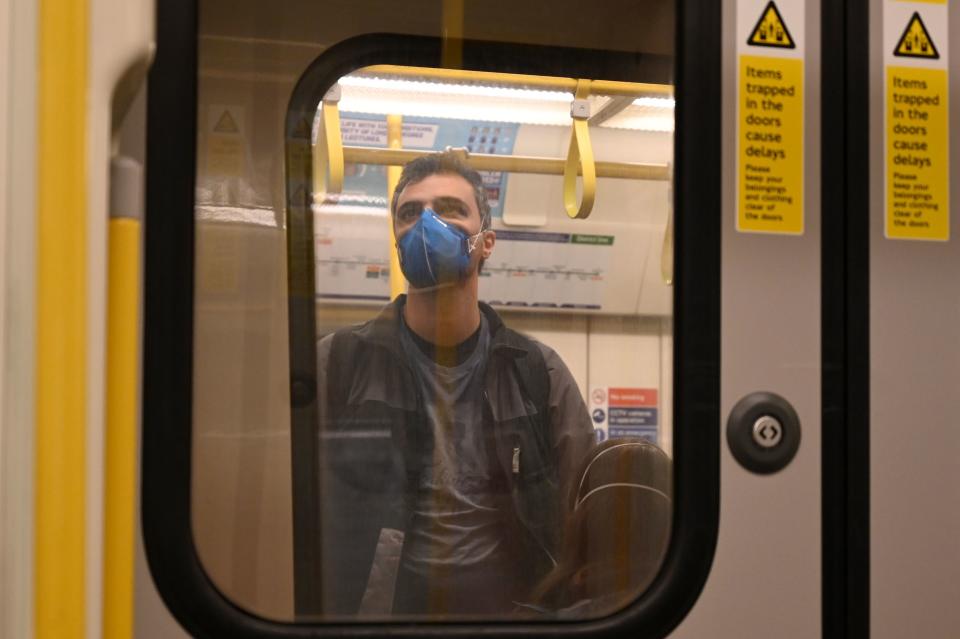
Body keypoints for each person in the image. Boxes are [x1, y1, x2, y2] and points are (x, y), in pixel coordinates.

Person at [315, 150, 594, 618]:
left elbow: (585, 508)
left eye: (449, 209)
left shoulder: (536, 373)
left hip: (514, 615)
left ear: (486, 242)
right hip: (380, 619)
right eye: (409, 213)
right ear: (397, 239)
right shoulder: (339, 364)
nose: (426, 223)